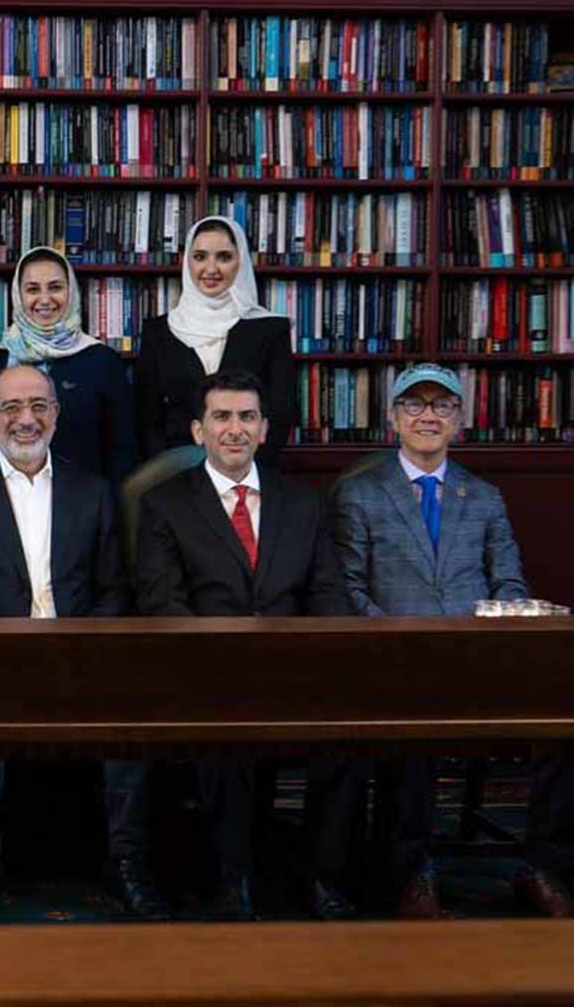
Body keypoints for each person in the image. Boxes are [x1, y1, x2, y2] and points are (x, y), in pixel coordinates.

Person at [324, 363, 574, 920]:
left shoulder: (483, 497)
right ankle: (413, 871)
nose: (428, 416)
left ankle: (542, 865)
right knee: (414, 726)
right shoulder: (358, 494)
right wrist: (404, 643)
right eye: (414, 404)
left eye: (442, 405)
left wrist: (494, 638)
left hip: (479, 658)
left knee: (561, 723)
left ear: (459, 419)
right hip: (397, 661)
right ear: (393, 418)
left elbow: (509, 583)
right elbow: (348, 590)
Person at [133, 370, 348, 919]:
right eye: (222, 417)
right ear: (198, 430)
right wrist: (220, 666)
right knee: (225, 734)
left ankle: (320, 876)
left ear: (264, 428)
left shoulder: (303, 503)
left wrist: (313, 664)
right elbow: (162, 603)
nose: (235, 429)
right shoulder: (164, 503)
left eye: (247, 417)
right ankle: (234, 881)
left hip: (295, 672)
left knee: (351, 732)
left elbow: (328, 595)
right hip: (208, 673)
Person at [0, 363, 131, 922]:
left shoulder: (93, 492)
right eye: (12, 408)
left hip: (80, 656)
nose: (27, 419)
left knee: (138, 718)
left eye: (39, 406)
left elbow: (115, 589)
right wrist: (2, 648)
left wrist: (77, 646)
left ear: (56, 415)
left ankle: (127, 862)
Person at [0, 246, 136, 483]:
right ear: (18, 295)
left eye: (55, 287)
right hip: (1, 499)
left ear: (71, 292)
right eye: (32, 289)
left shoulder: (103, 362)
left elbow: (122, 454)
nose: (44, 299)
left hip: (84, 500)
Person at [136, 216, 296, 470]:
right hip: (176, 475)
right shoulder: (158, 332)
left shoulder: (270, 330)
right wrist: (171, 472)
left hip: (248, 471)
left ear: (240, 262)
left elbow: (279, 414)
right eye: (200, 257)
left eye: (223, 257)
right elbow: (147, 419)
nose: (211, 269)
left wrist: (239, 471)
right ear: (187, 262)